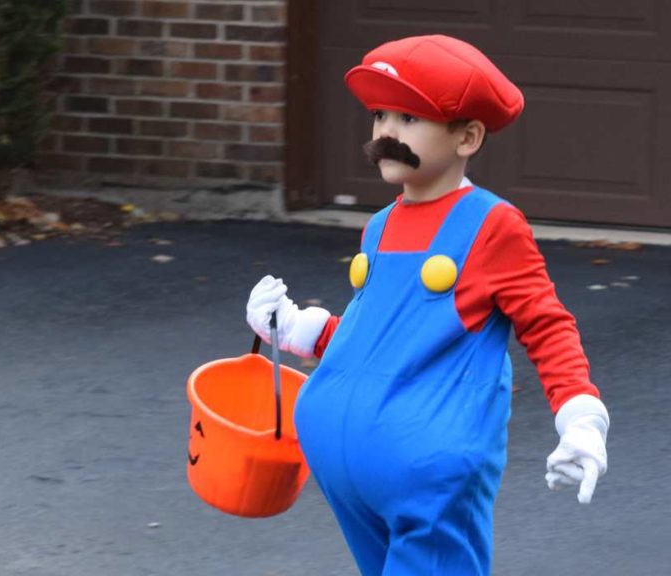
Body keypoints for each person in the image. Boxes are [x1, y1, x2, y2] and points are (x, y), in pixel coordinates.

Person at [245, 34, 610, 576]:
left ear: (468, 136)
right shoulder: (380, 224)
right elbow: (383, 335)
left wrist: (580, 418)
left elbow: (546, 324)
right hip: (348, 468)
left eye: (409, 117)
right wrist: (295, 327)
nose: (387, 132)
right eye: (380, 115)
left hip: (426, 472)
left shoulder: (491, 224)